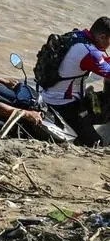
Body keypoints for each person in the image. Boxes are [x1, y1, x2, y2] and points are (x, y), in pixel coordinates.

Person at [38, 17, 110, 146]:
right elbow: (106, 70)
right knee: (96, 143)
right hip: (65, 106)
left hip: (49, 96)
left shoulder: (77, 36)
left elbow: (103, 62)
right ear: (103, 37)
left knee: (100, 104)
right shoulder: (90, 53)